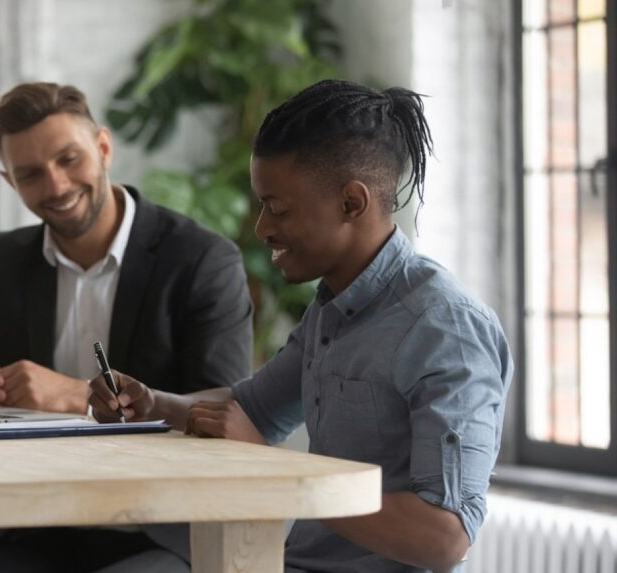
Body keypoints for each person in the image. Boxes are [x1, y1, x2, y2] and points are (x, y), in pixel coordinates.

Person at [90, 79, 513, 573]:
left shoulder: (446, 330)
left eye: (279, 208)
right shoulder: (333, 306)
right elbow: (250, 411)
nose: (262, 228)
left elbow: (443, 538)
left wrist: (277, 470)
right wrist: (152, 403)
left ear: (352, 204)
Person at [0, 82, 253, 572]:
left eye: (69, 159)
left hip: (165, 533)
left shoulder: (200, 260)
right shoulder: (7, 261)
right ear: (10, 181)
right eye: (30, 174)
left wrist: (78, 397)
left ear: (103, 147)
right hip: (41, 533)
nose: (55, 186)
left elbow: (225, 409)